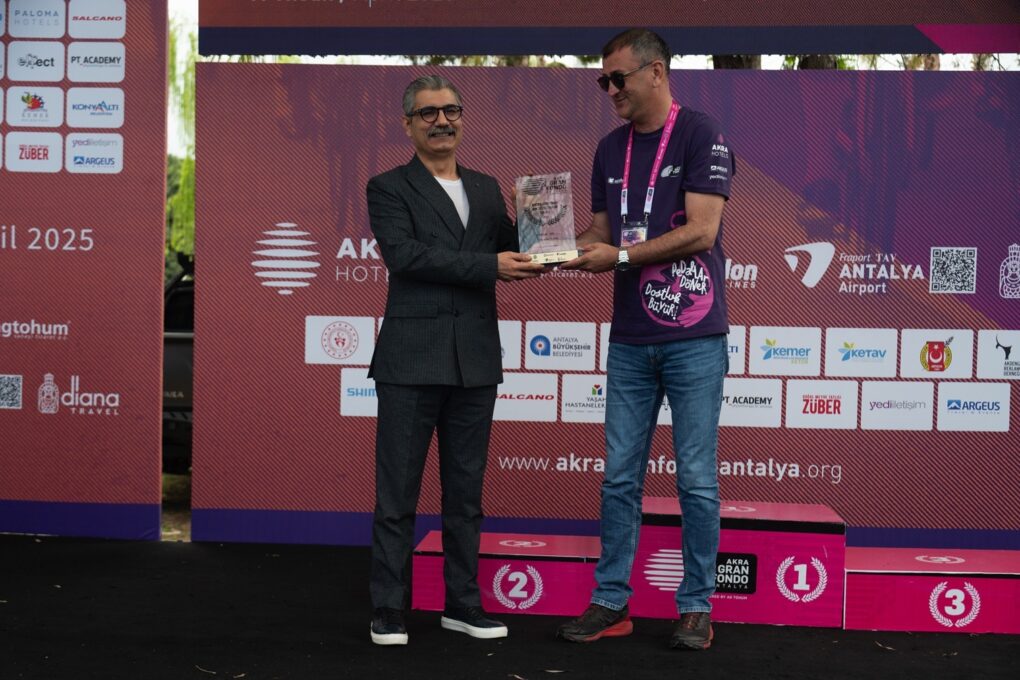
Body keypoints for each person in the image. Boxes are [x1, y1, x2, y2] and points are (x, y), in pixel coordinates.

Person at [556, 28, 735, 650]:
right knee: (619, 479)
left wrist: (622, 257)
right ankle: (611, 601)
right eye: (602, 80)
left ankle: (696, 607)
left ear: (656, 72)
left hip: (694, 337)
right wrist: (546, 247)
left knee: (696, 480)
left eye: (618, 78)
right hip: (631, 338)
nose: (610, 90)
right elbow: (600, 233)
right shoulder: (610, 148)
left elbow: (702, 231)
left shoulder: (702, 133)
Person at [365, 75, 544, 646]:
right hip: (410, 362)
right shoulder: (387, 187)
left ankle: (463, 605)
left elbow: (520, 250)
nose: (442, 121)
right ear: (408, 124)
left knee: (466, 497)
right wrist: (491, 267)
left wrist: (546, 224)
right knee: (397, 496)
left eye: (451, 111)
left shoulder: (487, 188)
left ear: (463, 118)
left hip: (475, 361)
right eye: (428, 113)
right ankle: (388, 608)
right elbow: (406, 257)